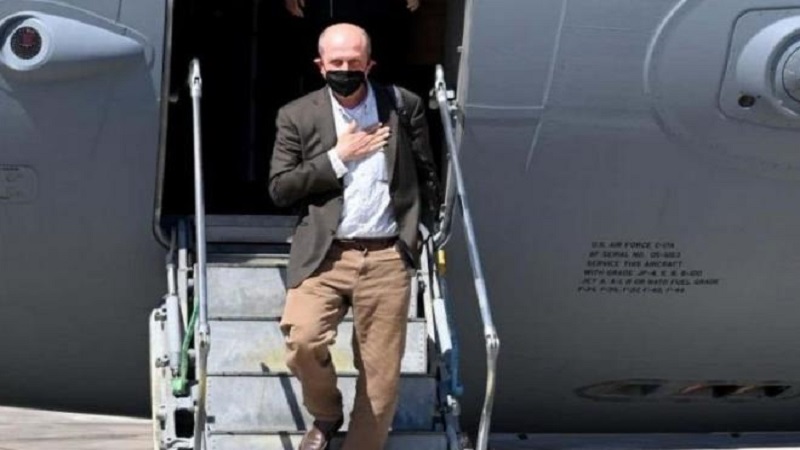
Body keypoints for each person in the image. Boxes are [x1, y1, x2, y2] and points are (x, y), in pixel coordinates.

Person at [269, 23, 440, 450]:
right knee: (303, 340)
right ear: (320, 65)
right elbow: (281, 188)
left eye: (354, 62)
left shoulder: (402, 105)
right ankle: (327, 414)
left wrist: (420, 234)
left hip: (386, 255)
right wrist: (337, 158)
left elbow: (425, 171)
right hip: (324, 254)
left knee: (380, 377)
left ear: (369, 64)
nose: (345, 70)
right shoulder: (297, 115)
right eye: (337, 62)